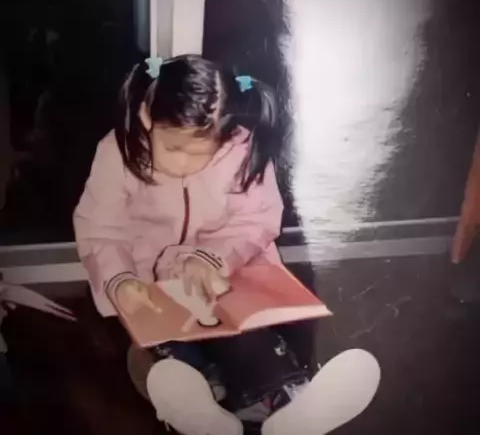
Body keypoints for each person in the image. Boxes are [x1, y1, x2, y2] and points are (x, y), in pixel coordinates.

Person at [74, 54, 380, 434]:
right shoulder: (117, 152)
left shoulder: (241, 149)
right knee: (162, 352)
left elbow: (258, 219)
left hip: (228, 273)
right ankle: (198, 410)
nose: (183, 164)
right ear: (147, 116)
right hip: (150, 285)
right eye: (173, 149)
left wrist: (212, 258)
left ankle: (289, 400)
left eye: (200, 153)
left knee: (247, 335)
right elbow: (101, 229)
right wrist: (119, 279)